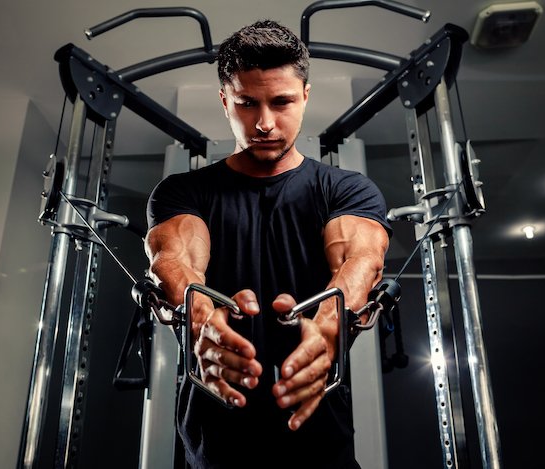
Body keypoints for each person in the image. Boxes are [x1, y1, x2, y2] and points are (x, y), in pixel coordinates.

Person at [145, 19, 391, 469]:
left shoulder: (347, 190)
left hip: (320, 443)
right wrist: (202, 320)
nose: (264, 123)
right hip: (215, 446)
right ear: (224, 100)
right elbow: (175, 259)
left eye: (282, 102)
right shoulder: (183, 192)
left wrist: (330, 328)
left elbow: (361, 258)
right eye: (246, 103)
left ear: (306, 97)